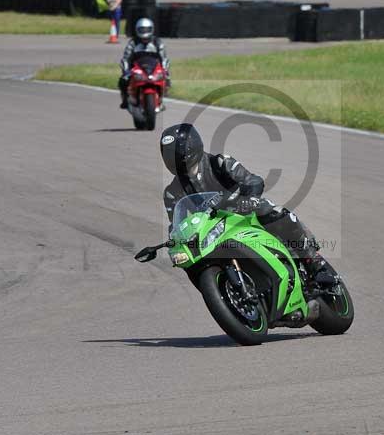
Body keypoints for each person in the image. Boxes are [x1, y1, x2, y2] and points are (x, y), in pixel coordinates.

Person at [159, 123, 335, 286]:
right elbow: (177, 224)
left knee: (275, 212)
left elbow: (252, 180)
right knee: (188, 260)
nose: (173, 160)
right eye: (168, 156)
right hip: (211, 230)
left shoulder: (219, 163)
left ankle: (314, 262)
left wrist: (249, 198)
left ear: (192, 148)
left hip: (241, 210)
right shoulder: (172, 192)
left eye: (175, 154)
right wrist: (176, 240)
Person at [118, 18, 170, 109]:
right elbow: (125, 59)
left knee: (167, 80)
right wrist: (126, 72)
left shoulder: (157, 42)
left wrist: (165, 70)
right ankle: (125, 100)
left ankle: (162, 97)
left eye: (147, 29)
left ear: (152, 29)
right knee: (123, 81)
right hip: (137, 68)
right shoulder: (133, 43)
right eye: (142, 29)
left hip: (153, 68)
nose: (144, 32)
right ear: (137, 30)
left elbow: (164, 58)